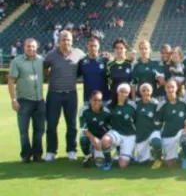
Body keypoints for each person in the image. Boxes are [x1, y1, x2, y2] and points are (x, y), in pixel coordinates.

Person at [44, 30, 85, 162]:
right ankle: (51, 151)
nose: (66, 42)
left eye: (68, 40)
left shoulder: (78, 53)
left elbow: (89, 60)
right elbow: (44, 68)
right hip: (54, 94)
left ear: (72, 41)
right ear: (58, 41)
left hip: (71, 94)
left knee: (72, 125)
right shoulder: (51, 55)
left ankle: (71, 150)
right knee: (51, 124)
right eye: (64, 40)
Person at [7, 38, 45, 163]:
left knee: (39, 130)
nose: (31, 49)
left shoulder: (41, 60)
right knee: (24, 130)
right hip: (24, 100)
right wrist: (13, 99)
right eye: (28, 46)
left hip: (39, 100)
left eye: (33, 46)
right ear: (24, 47)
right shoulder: (17, 62)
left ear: (36, 48)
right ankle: (25, 155)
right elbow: (11, 80)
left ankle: (37, 155)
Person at [155, 79, 186, 169]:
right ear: (165, 88)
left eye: (172, 87)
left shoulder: (183, 102)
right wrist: (159, 136)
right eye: (168, 87)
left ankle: (185, 158)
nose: (170, 89)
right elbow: (157, 122)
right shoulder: (162, 104)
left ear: (176, 88)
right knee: (170, 164)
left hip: (180, 131)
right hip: (168, 134)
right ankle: (162, 155)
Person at [101, 83, 137, 170]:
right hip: (116, 133)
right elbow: (104, 121)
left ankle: (126, 153)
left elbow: (137, 121)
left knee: (122, 166)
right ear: (117, 91)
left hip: (129, 135)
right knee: (105, 140)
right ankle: (108, 161)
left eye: (126, 92)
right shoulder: (109, 105)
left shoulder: (132, 105)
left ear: (128, 94)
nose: (123, 94)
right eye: (121, 91)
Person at [79, 91, 110, 168]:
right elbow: (84, 130)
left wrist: (103, 141)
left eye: (99, 100)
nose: (97, 102)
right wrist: (94, 140)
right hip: (90, 135)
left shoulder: (106, 112)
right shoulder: (83, 110)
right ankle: (88, 155)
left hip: (102, 136)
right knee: (83, 139)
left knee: (102, 163)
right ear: (90, 100)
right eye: (95, 100)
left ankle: (104, 153)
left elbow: (111, 129)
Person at [135, 83, 162, 164]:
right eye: (143, 90)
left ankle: (158, 157)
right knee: (144, 162)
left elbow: (160, 119)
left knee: (156, 143)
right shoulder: (136, 104)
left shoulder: (156, 104)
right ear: (140, 92)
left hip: (153, 131)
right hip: (141, 134)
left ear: (151, 91)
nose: (145, 92)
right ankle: (150, 152)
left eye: (148, 90)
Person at [78, 37, 110, 104]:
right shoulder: (82, 62)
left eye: (95, 46)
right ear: (87, 46)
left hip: (104, 99)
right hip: (88, 99)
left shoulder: (105, 61)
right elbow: (75, 75)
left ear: (99, 47)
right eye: (91, 46)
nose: (93, 48)